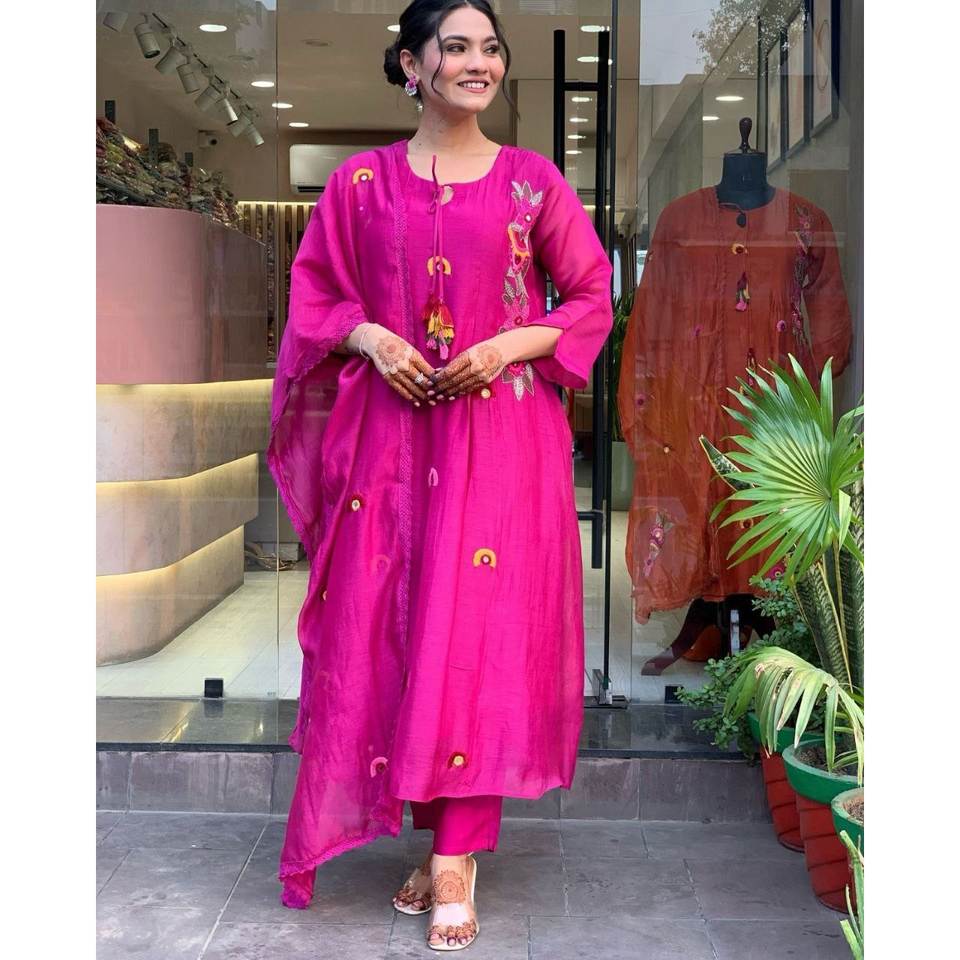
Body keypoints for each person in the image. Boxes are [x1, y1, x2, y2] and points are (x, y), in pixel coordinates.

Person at [266, 0, 613, 950]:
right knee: (395, 626)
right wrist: (372, 338)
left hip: (500, 442)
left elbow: (590, 297)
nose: (478, 63)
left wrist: (504, 347)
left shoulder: (533, 182)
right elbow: (315, 294)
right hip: (387, 444)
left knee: (477, 635)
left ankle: (456, 855)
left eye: (490, 48)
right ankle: (433, 838)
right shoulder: (359, 184)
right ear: (411, 66)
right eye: (455, 47)